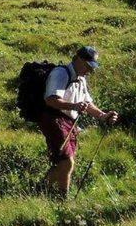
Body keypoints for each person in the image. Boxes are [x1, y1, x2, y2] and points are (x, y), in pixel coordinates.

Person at [41, 46, 118, 198]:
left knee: (63, 163)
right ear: (77, 60)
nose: (90, 70)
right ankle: (63, 199)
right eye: (88, 66)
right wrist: (74, 106)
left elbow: (87, 103)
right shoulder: (61, 74)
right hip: (54, 119)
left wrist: (103, 116)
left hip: (69, 123)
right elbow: (50, 100)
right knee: (67, 162)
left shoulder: (81, 79)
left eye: (92, 67)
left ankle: (42, 190)